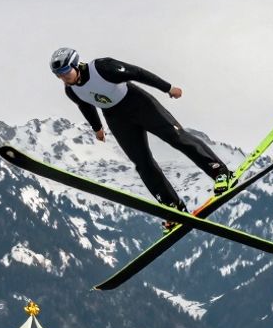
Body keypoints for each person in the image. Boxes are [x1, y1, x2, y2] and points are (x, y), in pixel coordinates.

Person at [50, 47, 234, 229]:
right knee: (142, 162)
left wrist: (167, 88)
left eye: (65, 71)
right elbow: (84, 105)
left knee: (176, 137)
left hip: (138, 103)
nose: (63, 77)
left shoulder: (102, 67)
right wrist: (97, 128)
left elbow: (138, 73)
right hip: (116, 118)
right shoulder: (71, 90)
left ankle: (220, 173)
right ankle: (173, 207)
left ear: (75, 64)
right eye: (58, 75)